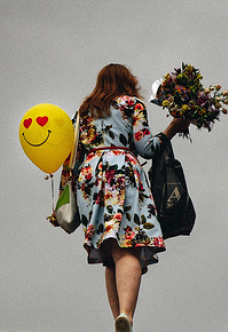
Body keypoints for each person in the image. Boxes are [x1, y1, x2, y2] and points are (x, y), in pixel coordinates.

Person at [57, 64, 190, 332]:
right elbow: (146, 148)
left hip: (89, 179)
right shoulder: (131, 105)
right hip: (122, 173)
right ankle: (126, 315)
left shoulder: (83, 111)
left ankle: (118, 317)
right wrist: (172, 128)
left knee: (109, 252)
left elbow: (70, 155)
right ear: (127, 82)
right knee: (128, 246)